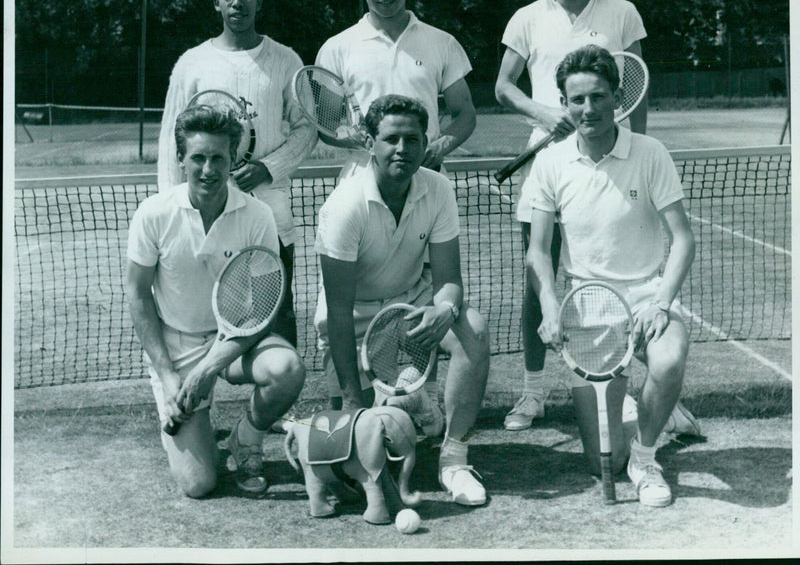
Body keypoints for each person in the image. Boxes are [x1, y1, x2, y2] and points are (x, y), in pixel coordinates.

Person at [495, 0, 698, 436]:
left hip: (615, 163)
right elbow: (503, 88)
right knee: (537, 279)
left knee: (634, 273)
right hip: (551, 164)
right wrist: (547, 116)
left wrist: (638, 151)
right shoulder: (526, 17)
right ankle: (533, 393)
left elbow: (635, 88)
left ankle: (662, 397)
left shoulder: (623, 12)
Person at [525, 44, 695, 507]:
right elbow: (538, 251)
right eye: (577, 99)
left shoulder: (650, 151)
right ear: (563, 103)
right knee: (602, 461)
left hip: (645, 296)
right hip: (588, 305)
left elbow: (682, 239)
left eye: (598, 97)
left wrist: (661, 302)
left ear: (617, 97)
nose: (588, 108)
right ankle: (637, 414)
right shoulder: (549, 162)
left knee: (668, 358)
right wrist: (548, 307)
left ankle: (647, 455)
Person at [313, 94, 490, 507]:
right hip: (353, 319)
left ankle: (454, 458)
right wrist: (355, 407)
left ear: (425, 142)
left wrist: (443, 309)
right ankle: (406, 400)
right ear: (370, 142)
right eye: (391, 139)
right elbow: (338, 311)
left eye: (412, 139)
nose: (402, 149)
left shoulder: (439, 188)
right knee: (365, 455)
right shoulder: (343, 206)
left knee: (474, 329)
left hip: (412, 302)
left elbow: (449, 281)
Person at [128, 105, 306, 497]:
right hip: (176, 345)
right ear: (180, 160)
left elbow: (262, 308)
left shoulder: (258, 215)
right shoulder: (153, 214)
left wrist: (209, 369)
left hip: (238, 338)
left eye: (218, 158)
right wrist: (170, 373)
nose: (208, 169)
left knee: (288, 368)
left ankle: (246, 437)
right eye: (198, 158)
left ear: (233, 159)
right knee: (199, 484)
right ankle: (197, 429)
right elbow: (138, 295)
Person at [158, 0, 317, 349]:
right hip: (207, 217)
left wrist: (268, 168)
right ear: (216, 2)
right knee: (195, 317)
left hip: (270, 217)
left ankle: (279, 404)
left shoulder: (285, 60)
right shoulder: (191, 64)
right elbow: (169, 140)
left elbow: (307, 128)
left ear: (258, 0)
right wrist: (172, 205)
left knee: (276, 313)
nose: (237, 2)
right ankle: (195, 397)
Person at [315, 0, 476, 177]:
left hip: (426, 175)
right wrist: (359, 140)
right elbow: (326, 127)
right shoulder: (335, 47)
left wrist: (438, 146)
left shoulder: (443, 42)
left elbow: (465, 114)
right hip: (362, 176)